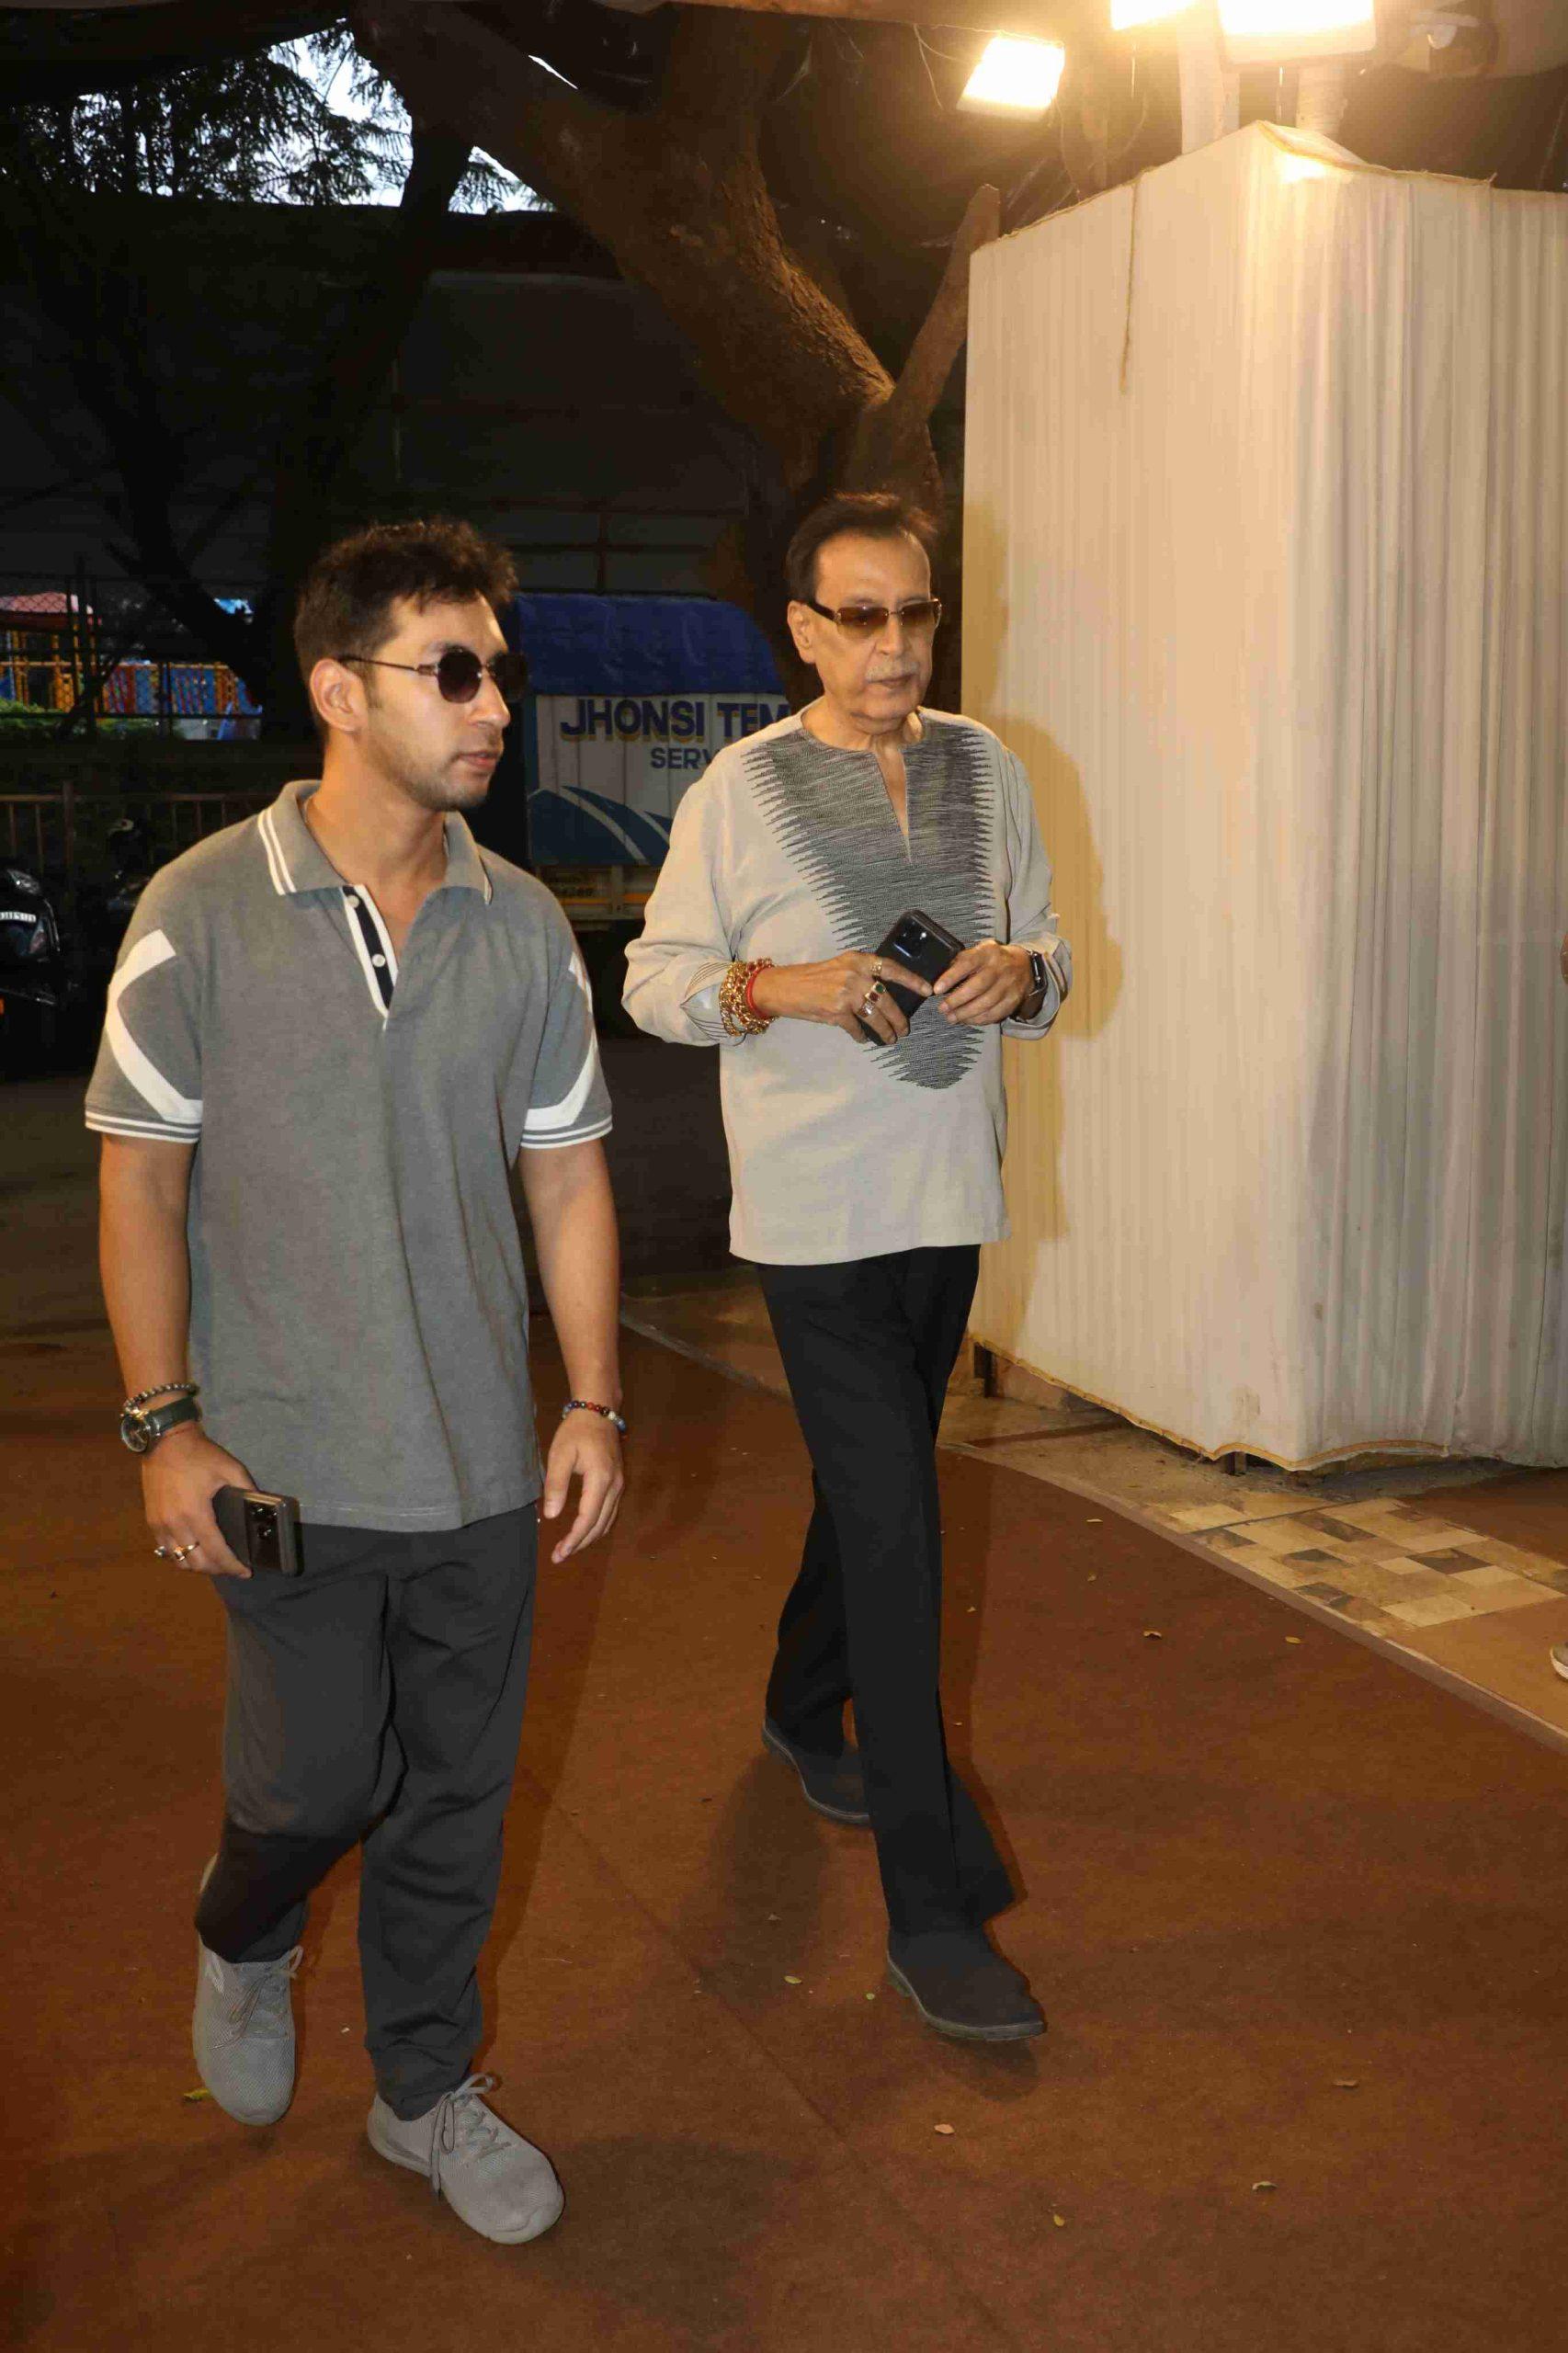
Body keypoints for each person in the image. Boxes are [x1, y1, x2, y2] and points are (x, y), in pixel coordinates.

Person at [88, 518, 624, 2244]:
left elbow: (565, 1174)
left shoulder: (519, 921)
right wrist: (166, 1427)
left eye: (498, 672)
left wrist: (592, 1401)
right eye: (450, 672)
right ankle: (244, 1932)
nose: (493, 706)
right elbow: (140, 1179)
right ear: (337, 691)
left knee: (455, 1805)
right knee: (312, 1790)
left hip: (479, 1462)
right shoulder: (199, 912)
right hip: (282, 1468)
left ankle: (421, 2093)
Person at [623, 490, 1071, 2041]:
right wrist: (776, 986)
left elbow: (1051, 949)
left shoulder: (988, 765)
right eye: (860, 616)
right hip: (812, 1220)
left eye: (914, 612)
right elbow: (653, 982)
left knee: (864, 1492)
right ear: (804, 630)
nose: (894, 644)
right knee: (898, 1524)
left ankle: (799, 1703)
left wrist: (1022, 974)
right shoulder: (738, 789)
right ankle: (934, 1912)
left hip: (947, 1201)